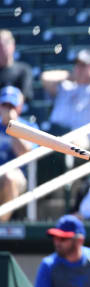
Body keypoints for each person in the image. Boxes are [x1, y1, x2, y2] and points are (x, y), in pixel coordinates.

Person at [40, 49, 90, 146]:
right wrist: (71, 76)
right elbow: (45, 77)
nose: (79, 68)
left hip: (81, 140)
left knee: (75, 142)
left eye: (83, 65)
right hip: (56, 132)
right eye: (77, 65)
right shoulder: (66, 86)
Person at [0, 86, 38, 221]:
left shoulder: (28, 127)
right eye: (4, 105)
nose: (7, 109)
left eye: (12, 106)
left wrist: (12, 126)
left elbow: (24, 154)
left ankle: (1, 225)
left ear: (19, 108)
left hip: (18, 177)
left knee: (9, 177)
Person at [0, 30, 33, 104]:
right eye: (0, 45)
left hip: (16, 112)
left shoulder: (24, 70)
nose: (3, 48)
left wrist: (8, 109)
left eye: (6, 43)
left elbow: (25, 96)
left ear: (13, 45)